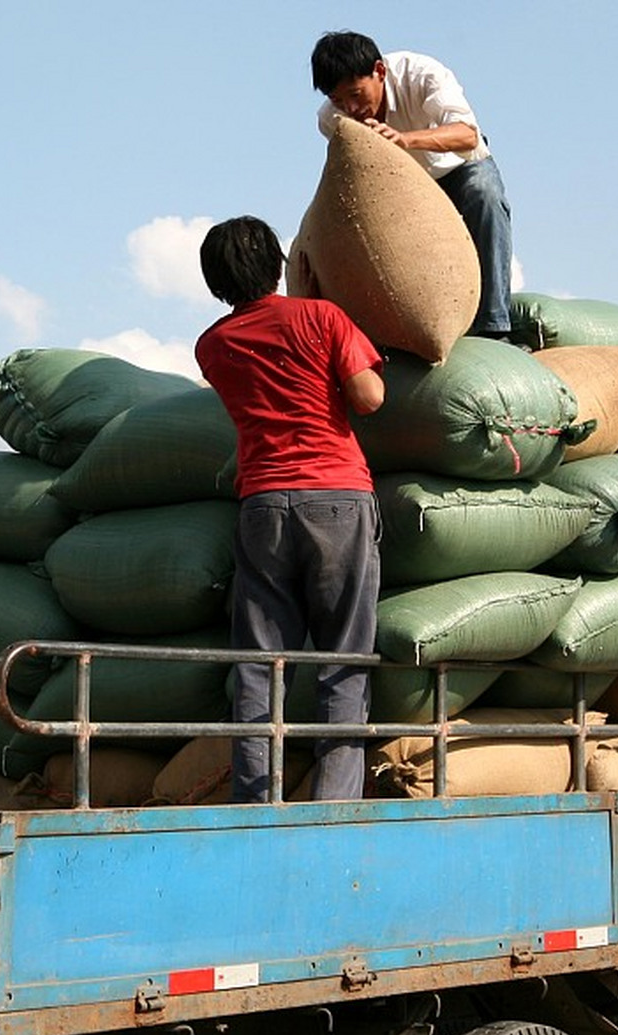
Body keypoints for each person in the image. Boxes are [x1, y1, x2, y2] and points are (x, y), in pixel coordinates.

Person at [194, 216, 386, 803]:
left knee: (261, 665)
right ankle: (334, 807)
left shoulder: (213, 345)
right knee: (342, 659)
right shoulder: (322, 318)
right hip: (336, 497)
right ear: (280, 263)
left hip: (262, 506)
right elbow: (370, 398)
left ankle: (255, 802)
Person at [311, 30, 513, 341]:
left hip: (458, 167)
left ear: (379, 71)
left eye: (356, 94)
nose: (350, 109)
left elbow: (467, 135)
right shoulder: (331, 120)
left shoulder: (421, 74)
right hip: (407, 189)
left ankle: (494, 326)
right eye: (338, 100)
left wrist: (405, 140)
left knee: (483, 194)